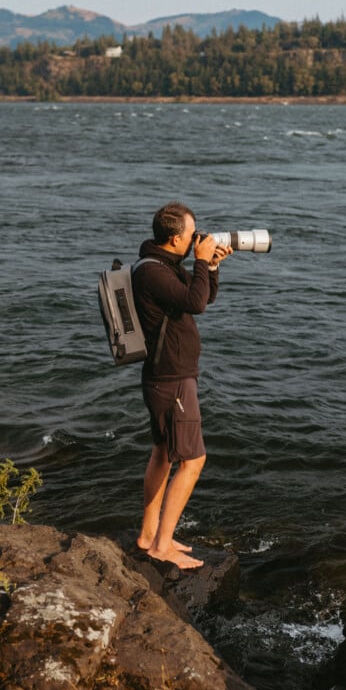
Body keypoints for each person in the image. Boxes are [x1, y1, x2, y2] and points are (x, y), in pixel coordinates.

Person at [132, 202, 232, 569]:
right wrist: (202, 263)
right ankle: (161, 546)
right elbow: (196, 303)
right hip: (171, 379)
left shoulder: (162, 266)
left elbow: (202, 297)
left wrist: (212, 265)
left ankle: (148, 534)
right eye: (192, 235)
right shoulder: (154, 273)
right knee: (193, 460)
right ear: (176, 238)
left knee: (163, 453)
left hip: (166, 376)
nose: (196, 240)